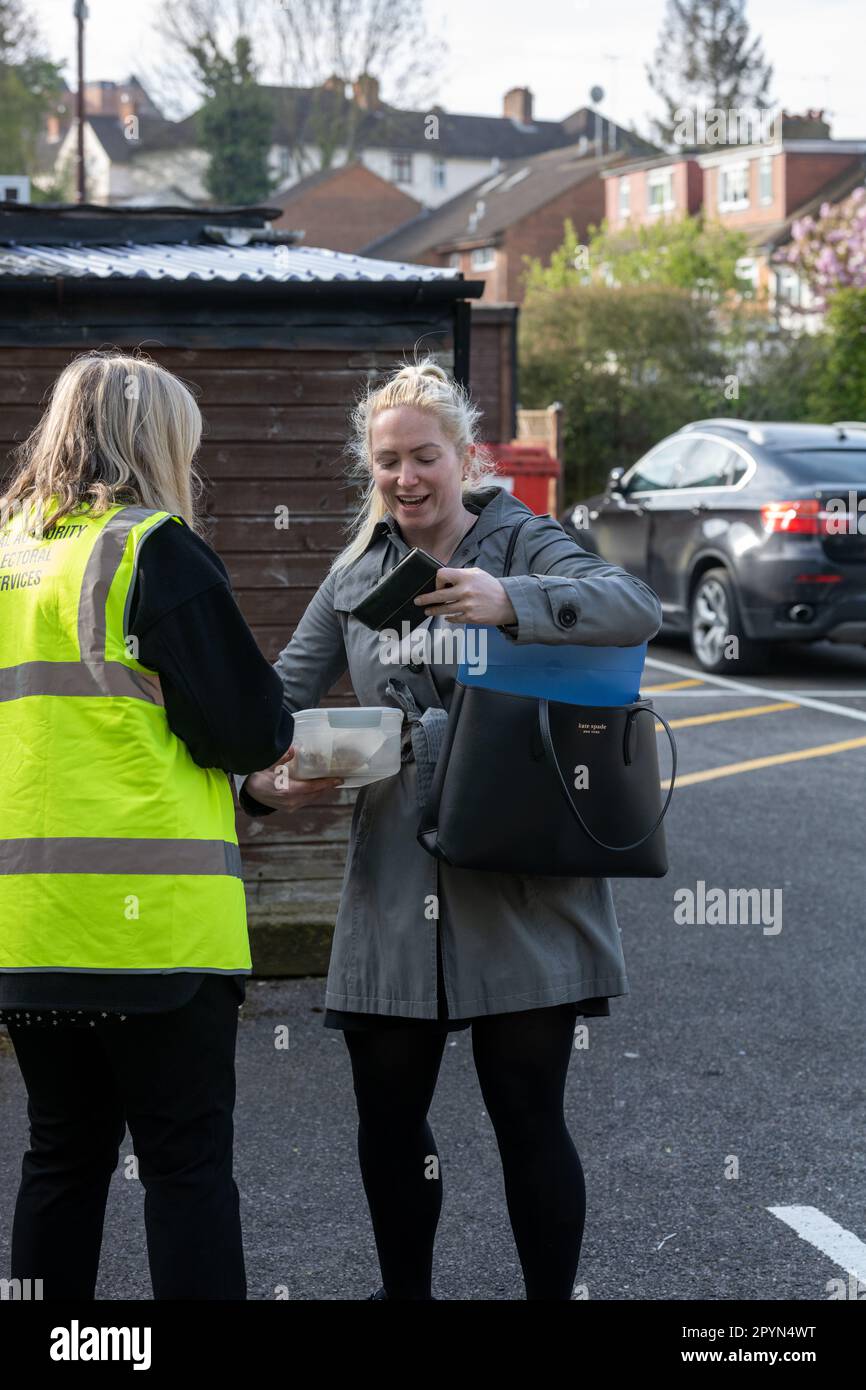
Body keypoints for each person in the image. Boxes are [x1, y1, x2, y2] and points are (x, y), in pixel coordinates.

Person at [236, 356, 665, 1301]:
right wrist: (268, 785)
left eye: (424, 456)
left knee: (527, 1113)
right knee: (388, 1121)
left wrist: (511, 601)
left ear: (466, 456)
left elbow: (636, 608)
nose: (405, 479)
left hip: (524, 877)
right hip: (393, 881)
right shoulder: (354, 577)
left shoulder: (525, 541)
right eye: (387, 462)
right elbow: (271, 707)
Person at [0, 351, 316, 1300]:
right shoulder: (152, 548)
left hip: (30, 927)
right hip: (157, 938)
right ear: (156, 441)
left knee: (60, 1160)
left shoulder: (10, 553)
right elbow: (251, 726)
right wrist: (266, 774)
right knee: (184, 1170)